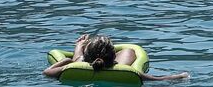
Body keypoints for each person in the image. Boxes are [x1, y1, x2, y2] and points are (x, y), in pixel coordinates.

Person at [43, 34, 189, 82]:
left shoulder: (74, 65)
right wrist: (181, 76)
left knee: (77, 60)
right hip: (112, 70)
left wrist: (67, 62)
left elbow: (46, 73)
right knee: (129, 51)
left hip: (79, 67)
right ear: (114, 57)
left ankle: (80, 45)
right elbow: (158, 80)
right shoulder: (126, 71)